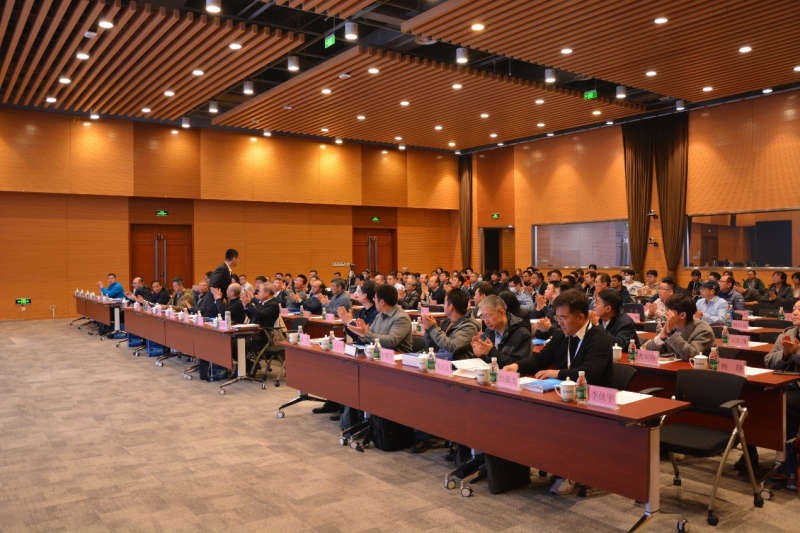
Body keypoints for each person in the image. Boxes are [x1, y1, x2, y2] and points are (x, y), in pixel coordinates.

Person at [504, 289, 613, 495]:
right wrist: (516, 367)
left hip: (592, 402)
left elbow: (591, 373)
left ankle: (568, 471)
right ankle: (547, 462)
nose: (559, 323)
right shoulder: (562, 335)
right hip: (565, 397)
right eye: (557, 318)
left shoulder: (598, 338)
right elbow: (541, 359)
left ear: (580, 317)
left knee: (556, 421)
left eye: (563, 318)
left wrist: (558, 373)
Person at [762, 299, 800, 483]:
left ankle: (788, 461)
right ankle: (749, 455)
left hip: (797, 389)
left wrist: (796, 352)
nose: (795, 312)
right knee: (755, 399)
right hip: (784, 385)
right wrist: (785, 354)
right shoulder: (787, 333)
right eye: (794, 309)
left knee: (786, 404)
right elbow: (768, 361)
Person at [642, 293, 715, 361]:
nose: (666, 313)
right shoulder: (673, 326)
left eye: (669, 310)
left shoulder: (703, 330)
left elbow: (691, 354)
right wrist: (661, 338)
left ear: (682, 315)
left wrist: (671, 333)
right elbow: (649, 350)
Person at [470, 295, 532, 367]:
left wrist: (492, 352)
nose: (486, 321)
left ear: (502, 312)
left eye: (489, 316)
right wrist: (481, 355)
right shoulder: (489, 332)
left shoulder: (521, 334)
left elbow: (518, 365)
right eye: (483, 317)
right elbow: (490, 363)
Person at [346, 284, 412, 352]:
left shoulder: (401, 317)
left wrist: (366, 333)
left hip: (397, 356)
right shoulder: (379, 315)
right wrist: (362, 333)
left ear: (382, 302)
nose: (374, 301)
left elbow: (392, 341)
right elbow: (369, 336)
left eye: (375, 299)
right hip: (378, 354)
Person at [422, 289, 479, 357]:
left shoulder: (470, 327)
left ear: (451, 307)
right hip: (439, 359)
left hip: (456, 362)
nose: (443, 306)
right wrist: (428, 330)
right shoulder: (446, 322)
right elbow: (433, 347)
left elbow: (452, 347)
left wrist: (433, 328)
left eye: (445, 303)